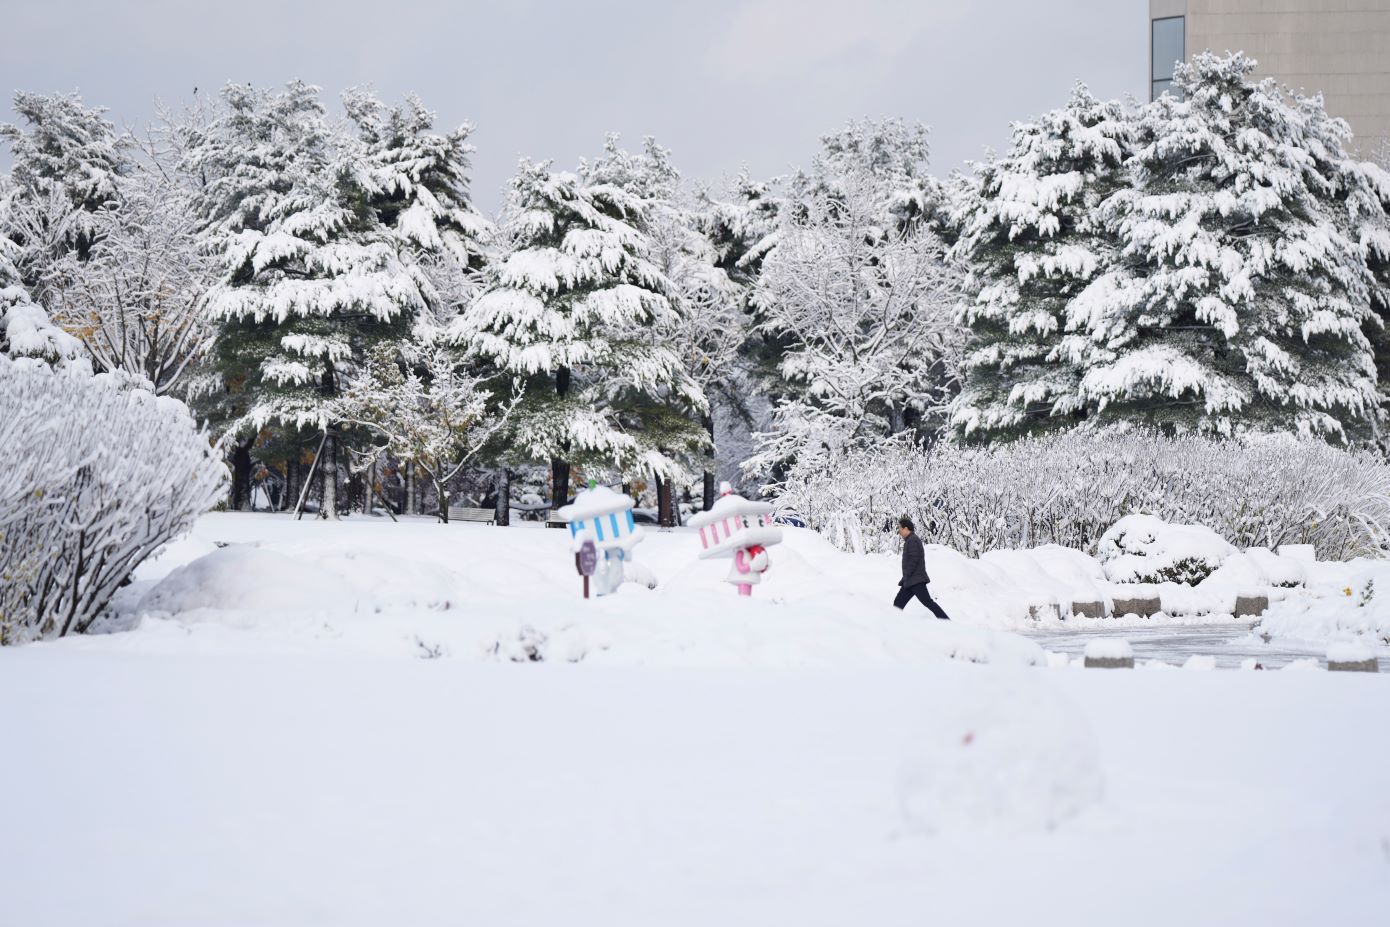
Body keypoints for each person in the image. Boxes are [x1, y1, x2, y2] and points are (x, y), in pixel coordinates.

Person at [893, 516, 951, 620]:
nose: (899, 531)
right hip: (910, 581)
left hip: (916, 581)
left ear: (906, 528)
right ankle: (893, 623)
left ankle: (947, 621)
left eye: (900, 529)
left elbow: (914, 560)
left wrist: (907, 574)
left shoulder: (912, 540)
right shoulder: (910, 540)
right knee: (898, 604)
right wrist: (905, 578)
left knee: (928, 602)